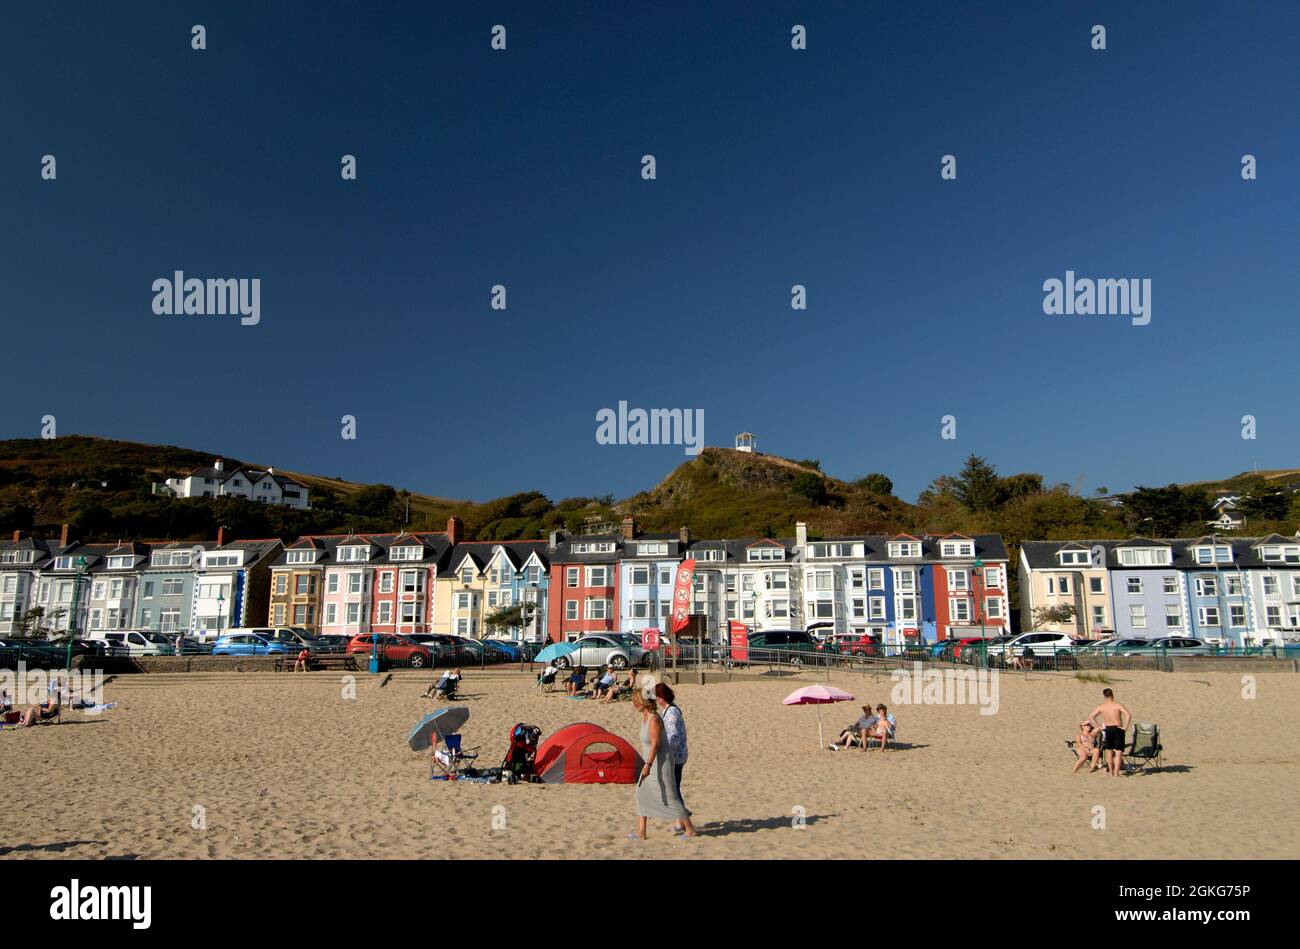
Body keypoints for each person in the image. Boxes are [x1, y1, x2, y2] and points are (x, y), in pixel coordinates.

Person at [629, 689, 696, 840]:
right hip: (650, 762)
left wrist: (648, 765)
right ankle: (641, 832)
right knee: (641, 793)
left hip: (660, 763)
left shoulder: (654, 719)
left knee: (670, 796)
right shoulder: (644, 717)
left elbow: (656, 745)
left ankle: (690, 829)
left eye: (635, 702)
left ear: (643, 702)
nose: (634, 705)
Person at [653, 683, 692, 835]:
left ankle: (683, 820)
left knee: (674, 791)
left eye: (657, 698)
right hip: (678, 755)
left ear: (662, 698)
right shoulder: (670, 709)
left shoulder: (671, 713)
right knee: (674, 789)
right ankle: (679, 823)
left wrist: (660, 747)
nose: (656, 701)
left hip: (675, 757)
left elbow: (673, 738)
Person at [1088, 688, 1132, 777]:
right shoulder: (1117, 705)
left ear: (1104, 696)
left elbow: (1091, 717)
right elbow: (1128, 715)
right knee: (1119, 752)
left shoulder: (1102, 706)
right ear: (1112, 694)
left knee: (1109, 751)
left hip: (1108, 729)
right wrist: (1126, 727)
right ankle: (1116, 773)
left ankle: (1111, 772)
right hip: (1118, 728)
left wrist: (1099, 726)